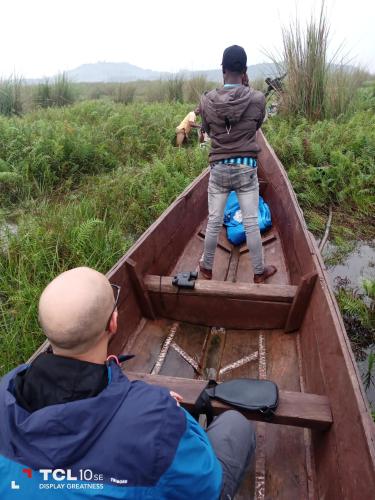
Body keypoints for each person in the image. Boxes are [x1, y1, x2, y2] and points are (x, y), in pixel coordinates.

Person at [0, 267, 255, 499]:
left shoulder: (7, 386)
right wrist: (171, 415)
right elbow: (205, 486)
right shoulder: (158, 420)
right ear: (113, 322)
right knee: (236, 425)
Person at [198, 45, 277, 283]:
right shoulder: (257, 98)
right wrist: (248, 87)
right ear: (244, 71)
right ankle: (259, 272)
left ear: (223, 70)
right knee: (251, 222)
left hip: (219, 169)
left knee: (214, 220)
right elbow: (255, 127)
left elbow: (209, 132)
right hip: (245, 168)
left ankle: (206, 267)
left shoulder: (207, 101)